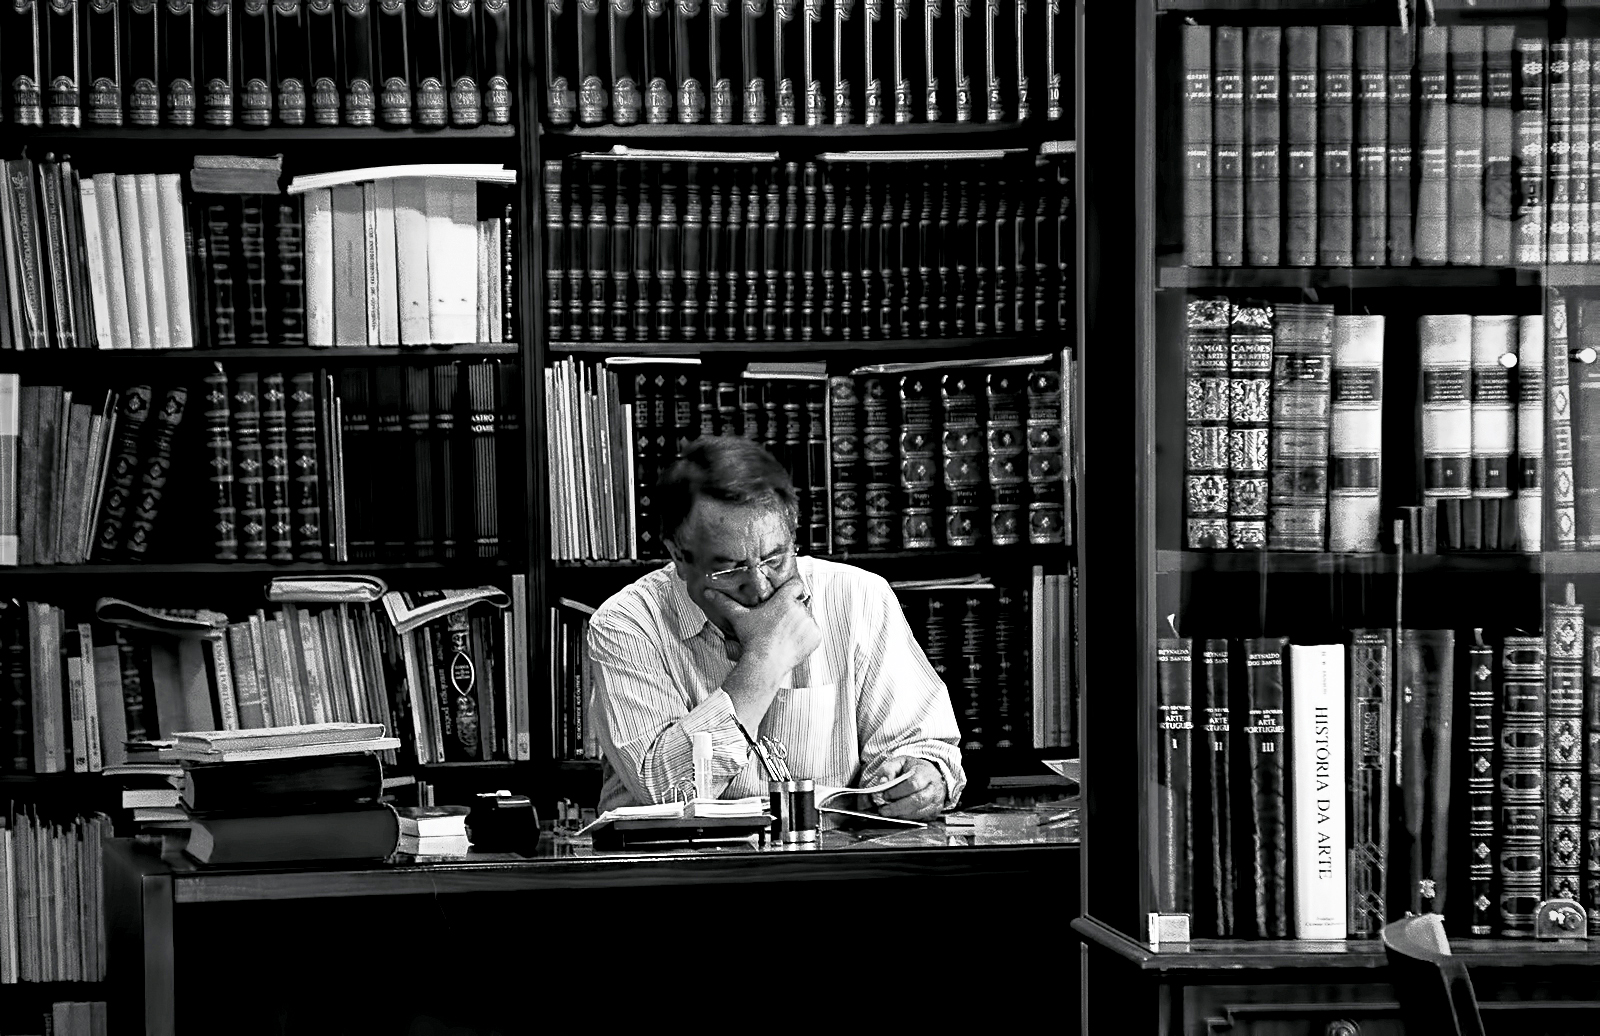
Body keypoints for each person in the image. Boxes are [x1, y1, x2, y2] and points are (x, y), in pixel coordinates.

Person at [588, 435, 967, 820]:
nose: (760, 587)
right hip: (676, 858)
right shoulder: (626, 624)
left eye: (774, 559)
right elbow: (666, 793)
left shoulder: (858, 596)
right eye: (730, 569)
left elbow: (925, 747)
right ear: (679, 557)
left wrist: (920, 777)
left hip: (830, 853)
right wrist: (764, 661)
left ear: (793, 534)